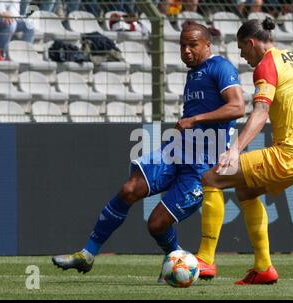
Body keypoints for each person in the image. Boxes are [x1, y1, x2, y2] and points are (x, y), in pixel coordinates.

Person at [51, 22, 245, 277]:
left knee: (156, 224)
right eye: (182, 45)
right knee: (129, 189)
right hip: (178, 150)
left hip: (202, 165)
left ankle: (177, 260)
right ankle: (87, 254)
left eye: (192, 45)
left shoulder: (221, 67)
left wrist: (194, 121)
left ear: (207, 45)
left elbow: (238, 107)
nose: (186, 51)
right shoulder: (194, 72)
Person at [195, 17, 293, 285]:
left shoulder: (265, 65)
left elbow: (260, 112)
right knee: (246, 190)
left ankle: (205, 259)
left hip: (291, 153)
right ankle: (263, 268)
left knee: (211, 178)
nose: (242, 56)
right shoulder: (290, 59)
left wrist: (234, 150)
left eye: (242, 49)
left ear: (251, 43)